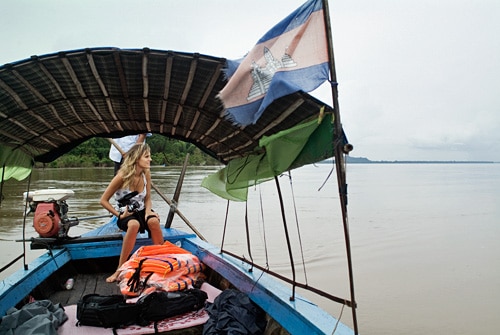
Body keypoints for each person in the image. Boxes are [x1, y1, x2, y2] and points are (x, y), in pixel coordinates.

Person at [100, 143, 163, 283]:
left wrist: (148, 212)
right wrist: (119, 215)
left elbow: (148, 198)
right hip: (126, 214)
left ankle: (162, 260)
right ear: (136, 158)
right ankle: (119, 269)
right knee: (133, 225)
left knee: (153, 221)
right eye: (147, 156)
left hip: (142, 210)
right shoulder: (121, 176)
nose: (150, 159)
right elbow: (103, 200)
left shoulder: (146, 173)